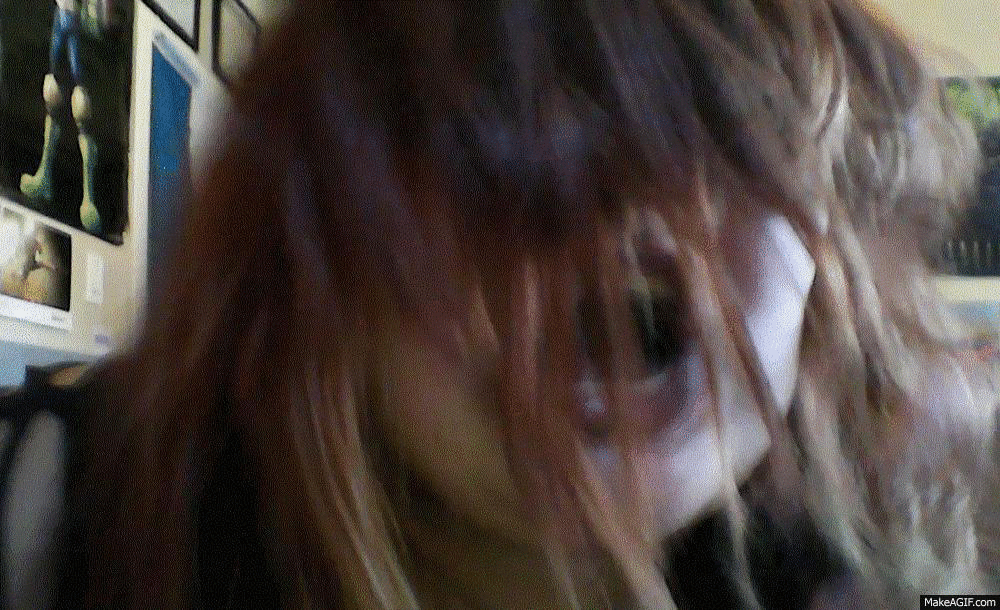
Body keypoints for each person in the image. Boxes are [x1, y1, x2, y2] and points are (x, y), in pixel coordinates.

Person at [14, 0, 996, 608]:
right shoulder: (58, 507)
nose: (629, 206)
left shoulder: (888, 552)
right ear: (315, 257)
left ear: (828, 262)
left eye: (734, 131)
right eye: (488, 138)